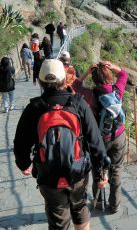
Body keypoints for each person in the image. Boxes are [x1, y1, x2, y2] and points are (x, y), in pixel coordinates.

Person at [13, 59, 109, 230]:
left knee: (57, 216)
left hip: (48, 174)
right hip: (77, 170)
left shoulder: (34, 107)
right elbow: (95, 140)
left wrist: (24, 164)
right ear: (64, 80)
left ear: (41, 82)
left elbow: (20, 143)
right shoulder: (78, 103)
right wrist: (101, 172)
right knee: (79, 207)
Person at [72, 60, 128, 214]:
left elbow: (75, 86)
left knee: (98, 170)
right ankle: (114, 206)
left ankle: (98, 203)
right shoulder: (117, 91)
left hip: (99, 139)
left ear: (94, 78)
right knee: (116, 170)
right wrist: (113, 66)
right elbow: (124, 74)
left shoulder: (90, 94)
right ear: (110, 75)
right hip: (118, 136)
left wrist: (86, 73)